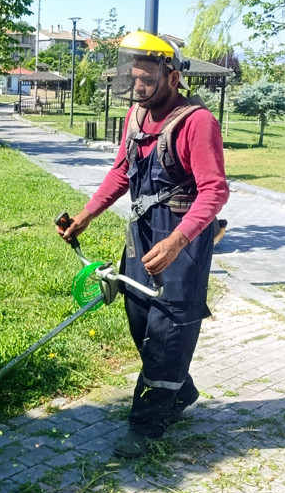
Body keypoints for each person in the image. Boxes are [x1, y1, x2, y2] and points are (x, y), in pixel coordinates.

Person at [57, 31, 230, 458]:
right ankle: (179, 390)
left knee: (167, 329)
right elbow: (121, 173)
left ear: (172, 75)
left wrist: (176, 241)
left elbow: (214, 191)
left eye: (146, 76)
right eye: (132, 76)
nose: (137, 85)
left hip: (181, 237)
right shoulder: (137, 118)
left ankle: (146, 425)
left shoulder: (196, 122)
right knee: (139, 321)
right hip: (142, 232)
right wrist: (85, 216)